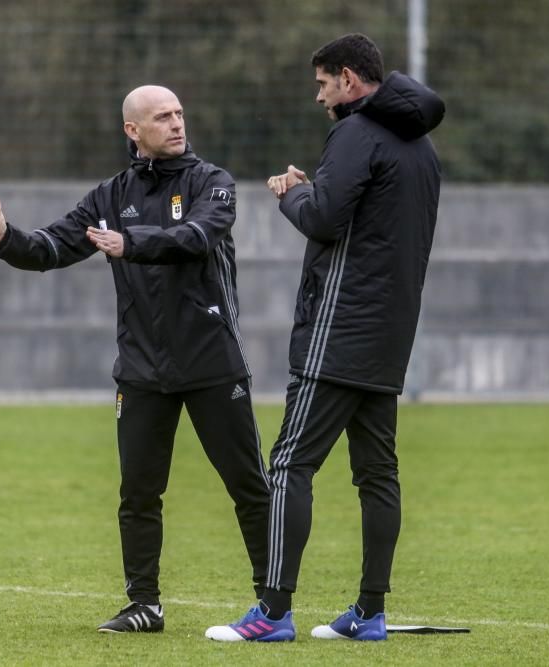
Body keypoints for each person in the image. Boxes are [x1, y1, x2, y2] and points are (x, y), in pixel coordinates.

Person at [0, 85, 270, 634]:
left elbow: (196, 237)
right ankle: (145, 604)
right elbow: (53, 248)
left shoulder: (212, 183)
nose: (176, 124)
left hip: (213, 362)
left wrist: (131, 242)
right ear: (133, 131)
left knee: (247, 486)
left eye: (179, 114)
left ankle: (272, 602)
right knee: (139, 493)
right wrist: (5, 241)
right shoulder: (109, 195)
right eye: (162, 117)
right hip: (142, 371)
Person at [205, 33, 445, 642]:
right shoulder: (421, 148)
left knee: (289, 463)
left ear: (347, 78)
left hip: (337, 332)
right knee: (378, 474)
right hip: (391, 337)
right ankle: (370, 613)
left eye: (321, 85)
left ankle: (273, 613)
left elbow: (323, 219)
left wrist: (293, 193)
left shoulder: (356, 134)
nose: (319, 98)